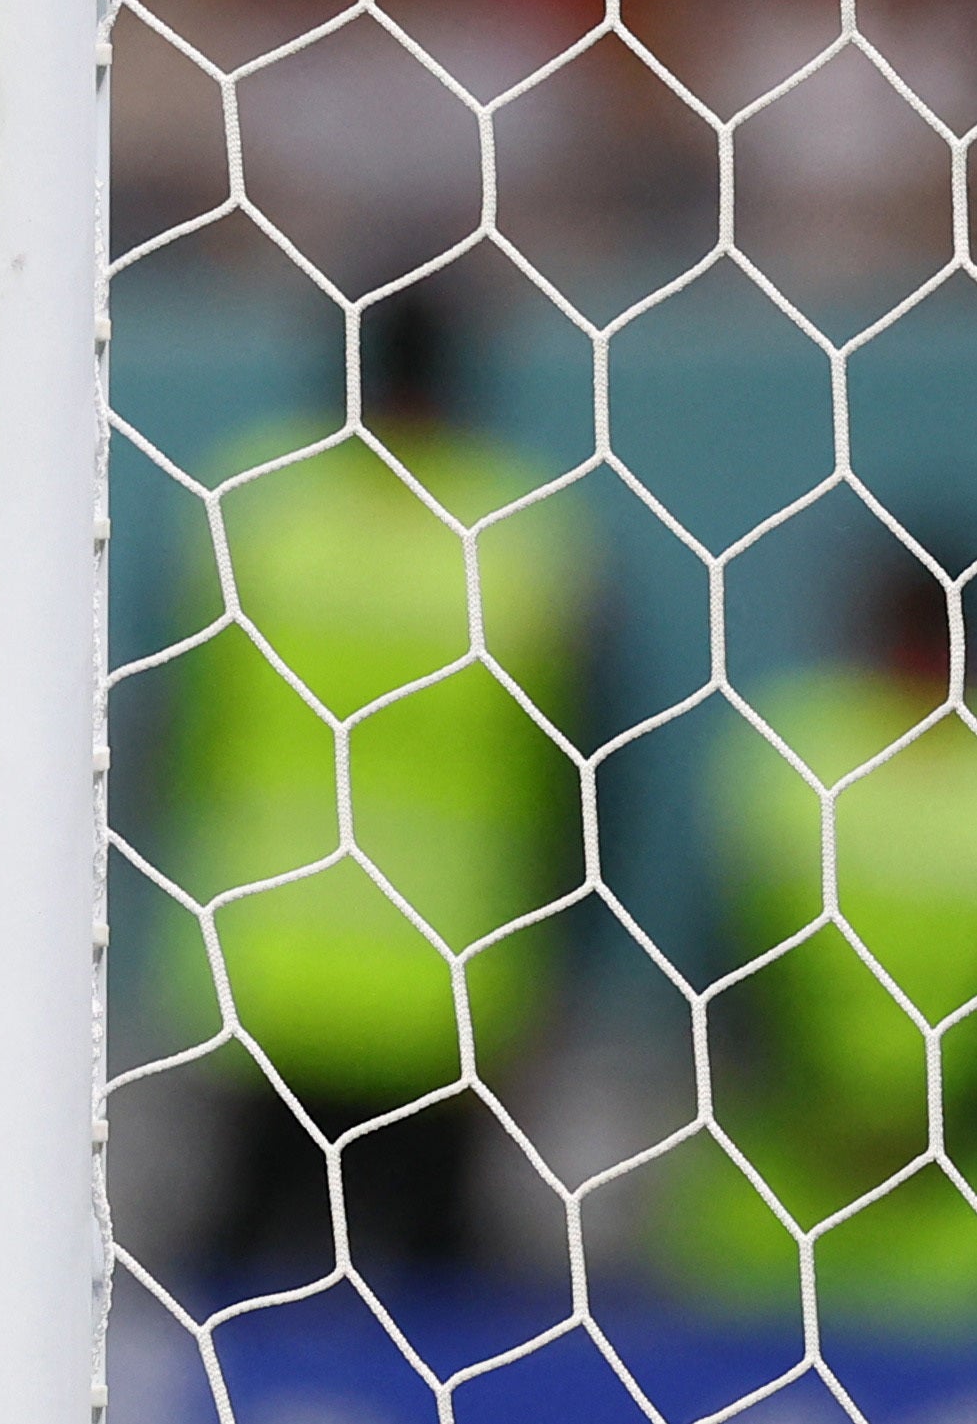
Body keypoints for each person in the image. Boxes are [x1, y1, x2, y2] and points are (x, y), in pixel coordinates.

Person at [162, 294, 591, 1282]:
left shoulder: (254, 506)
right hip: (448, 983)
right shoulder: (522, 531)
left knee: (240, 1275)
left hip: (259, 961)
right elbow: (583, 774)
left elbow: (164, 728)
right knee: (428, 1302)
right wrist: (557, 972)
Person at [658, 546, 977, 1324]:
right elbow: (728, 963)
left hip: (947, 1225)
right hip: (776, 1198)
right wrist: (822, 1117)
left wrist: (927, 1129)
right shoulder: (789, 751)